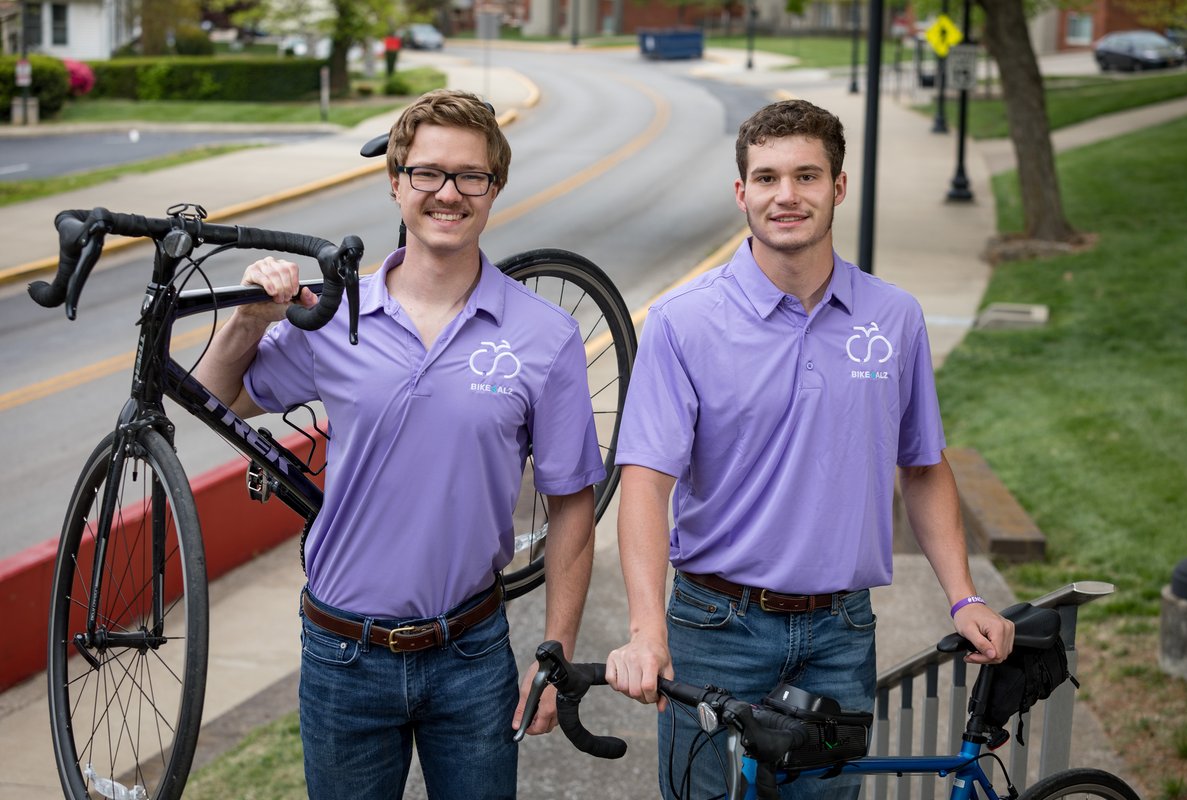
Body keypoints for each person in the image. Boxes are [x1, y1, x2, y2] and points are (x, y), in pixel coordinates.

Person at [194, 89, 604, 799]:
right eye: (427, 173)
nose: (448, 193)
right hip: (342, 654)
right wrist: (249, 320)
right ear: (395, 182)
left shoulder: (544, 336)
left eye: (470, 175)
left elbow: (571, 503)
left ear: (494, 187)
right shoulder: (334, 315)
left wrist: (558, 654)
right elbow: (215, 395)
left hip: (472, 655)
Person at [605, 98, 1016, 799]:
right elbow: (645, 481)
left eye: (806, 176)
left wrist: (963, 595)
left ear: (839, 187)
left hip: (839, 632)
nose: (786, 196)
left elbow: (922, 465)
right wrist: (646, 631)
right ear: (742, 193)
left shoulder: (893, 317)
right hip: (715, 625)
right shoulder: (684, 322)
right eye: (766, 178)